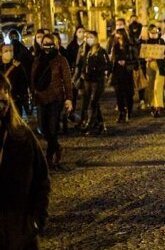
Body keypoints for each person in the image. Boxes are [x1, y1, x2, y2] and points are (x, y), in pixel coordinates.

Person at [0, 74, 51, 250]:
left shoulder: (23, 137)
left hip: (22, 237)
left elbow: (42, 181)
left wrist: (36, 222)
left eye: (2, 99)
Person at [31, 34, 72, 169]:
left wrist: (69, 99)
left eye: (50, 42)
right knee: (43, 128)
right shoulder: (37, 60)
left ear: (55, 44)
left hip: (55, 98)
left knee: (53, 128)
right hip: (41, 98)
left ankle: (49, 156)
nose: (47, 44)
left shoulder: (61, 60)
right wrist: (33, 95)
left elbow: (67, 81)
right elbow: (33, 80)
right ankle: (56, 146)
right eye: (45, 42)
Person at [81, 31, 110, 135]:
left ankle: (89, 125)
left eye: (91, 37)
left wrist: (97, 70)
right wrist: (83, 72)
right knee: (93, 103)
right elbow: (83, 63)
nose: (88, 38)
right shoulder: (87, 51)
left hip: (97, 80)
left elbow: (107, 65)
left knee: (93, 102)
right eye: (87, 37)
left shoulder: (101, 51)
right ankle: (101, 123)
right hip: (88, 80)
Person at [110, 29, 136, 123]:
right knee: (119, 94)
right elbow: (112, 59)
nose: (118, 37)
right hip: (117, 73)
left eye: (120, 35)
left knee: (129, 94)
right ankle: (121, 113)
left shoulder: (129, 47)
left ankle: (129, 111)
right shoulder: (115, 46)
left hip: (127, 73)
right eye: (117, 35)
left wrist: (126, 62)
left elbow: (135, 61)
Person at [143, 25, 165, 117]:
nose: (154, 35)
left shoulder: (161, 41)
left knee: (158, 86)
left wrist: (158, 51)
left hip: (160, 66)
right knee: (150, 86)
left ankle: (158, 106)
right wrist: (146, 58)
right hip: (150, 66)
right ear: (149, 33)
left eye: (156, 33)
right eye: (152, 33)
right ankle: (152, 105)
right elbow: (142, 54)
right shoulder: (146, 41)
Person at [1, 44, 30, 116]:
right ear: (1, 53)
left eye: (11, 51)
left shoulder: (18, 66)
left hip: (15, 101)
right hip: (2, 100)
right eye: (6, 51)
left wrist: (20, 96)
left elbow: (24, 82)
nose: (9, 53)